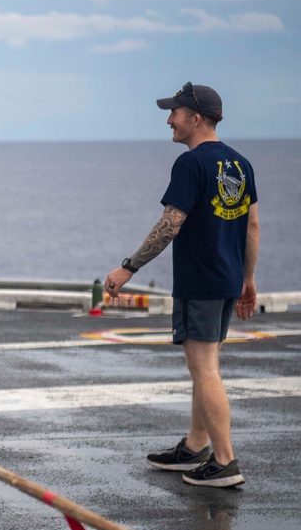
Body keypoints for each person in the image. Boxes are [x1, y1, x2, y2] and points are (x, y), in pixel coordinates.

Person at [105, 81, 259, 488]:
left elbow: (170, 223)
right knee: (204, 366)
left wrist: (128, 268)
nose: (169, 119)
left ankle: (225, 461)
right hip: (226, 280)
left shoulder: (190, 164)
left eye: (174, 112)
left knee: (204, 368)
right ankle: (195, 447)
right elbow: (253, 225)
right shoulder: (241, 165)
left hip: (201, 281)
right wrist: (247, 279)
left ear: (195, 118)